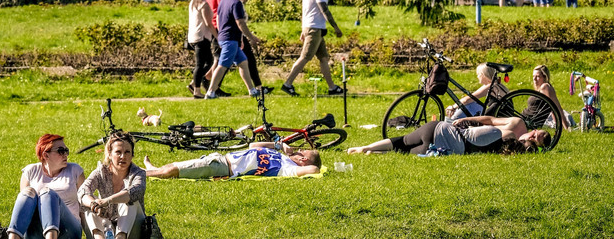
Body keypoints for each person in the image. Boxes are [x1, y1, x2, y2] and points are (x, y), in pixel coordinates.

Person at [282, 0, 344, 97]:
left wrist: (303, 29)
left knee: (324, 58)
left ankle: (332, 88)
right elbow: (324, 10)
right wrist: (336, 27)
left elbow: (306, 10)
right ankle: (287, 84)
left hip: (313, 27)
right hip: (315, 29)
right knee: (305, 57)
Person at [8, 134, 86, 239]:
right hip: (37, 230)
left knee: (48, 193)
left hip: (69, 230)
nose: (65, 155)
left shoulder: (75, 170)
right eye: (60, 151)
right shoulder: (30, 171)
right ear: (46, 155)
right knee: (27, 193)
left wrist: (91, 234)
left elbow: (84, 208)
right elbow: (24, 208)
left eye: (66, 150)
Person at [346, 118, 548, 155]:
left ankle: (365, 147)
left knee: (402, 141)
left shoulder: (494, 133)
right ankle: (370, 152)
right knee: (405, 150)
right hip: (439, 148)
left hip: (437, 129)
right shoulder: (490, 150)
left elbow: (478, 127)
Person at [79, 132, 146, 239]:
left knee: (129, 202)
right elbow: (83, 191)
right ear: (109, 154)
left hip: (133, 229)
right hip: (106, 226)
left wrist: (107, 200)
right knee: (89, 203)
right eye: (118, 152)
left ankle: (120, 237)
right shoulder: (101, 172)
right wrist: (94, 205)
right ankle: (99, 237)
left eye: (127, 152)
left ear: (132, 154)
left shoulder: (138, 173)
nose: (123, 157)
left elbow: (135, 191)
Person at [206, 0, 262, 99]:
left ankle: (252, 90)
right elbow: (240, 23)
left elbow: (218, 18)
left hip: (227, 37)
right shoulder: (236, 3)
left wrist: (221, 34)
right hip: (230, 39)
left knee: (243, 62)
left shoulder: (224, 0)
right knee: (222, 65)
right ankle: (210, 92)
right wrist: (251, 37)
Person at [143, 141, 321, 179]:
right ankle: (153, 170)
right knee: (178, 166)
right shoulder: (281, 156)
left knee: (173, 170)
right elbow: (253, 145)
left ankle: (142, 173)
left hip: (221, 168)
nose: (297, 151)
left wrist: (311, 167)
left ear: (303, 160)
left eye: (301, 152)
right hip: (219, 158)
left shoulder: (286, 168)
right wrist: (279, 145)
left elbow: (314, 170)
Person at [202, 0, 235, 97]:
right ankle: (211, 85)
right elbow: (224, 10)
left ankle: (209, 83)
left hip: (213, 25)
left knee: (219, 58)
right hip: (220, 26)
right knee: (222, 59)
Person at [186, 0, 215, 98]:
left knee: (209, 62)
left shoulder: (193, 1)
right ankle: (196, 91)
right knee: (201, 64)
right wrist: (217, 36)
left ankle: (194, 83)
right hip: (202, 37)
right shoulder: (203, 4)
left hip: (193, 36)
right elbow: (208, 23)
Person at [529, 64, 570, 130]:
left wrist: (564, 127)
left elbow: (555, 107)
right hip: (527, 119)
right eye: (533, 76)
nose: (534, 79)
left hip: (530, 121)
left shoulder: (545, 87)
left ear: (545, 77)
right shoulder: (539, 89)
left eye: (538, 76)